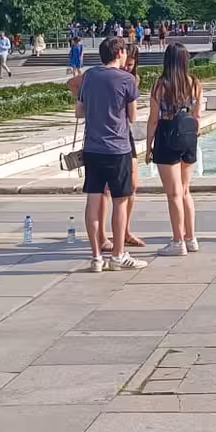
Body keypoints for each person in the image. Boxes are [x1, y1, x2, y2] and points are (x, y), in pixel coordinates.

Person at [68, 37, 147, 272]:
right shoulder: (127, 79)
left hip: (93, 148)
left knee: (93, 200)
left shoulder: (90, 75)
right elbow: (132, 117)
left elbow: (79, 111)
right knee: (120, 202)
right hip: (118, 148)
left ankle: (96, 258)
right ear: (120, 52)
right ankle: (118, 255)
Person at [148, 43, 203, 256]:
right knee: (185, 190)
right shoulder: (195, 83)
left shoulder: (161, 85)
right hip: (189, 137)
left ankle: (177, 240)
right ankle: (191, 238)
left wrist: (149, 146)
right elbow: (198, 116)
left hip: (167, 136)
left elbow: (154, 120)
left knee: (173, 194)